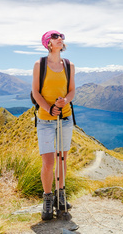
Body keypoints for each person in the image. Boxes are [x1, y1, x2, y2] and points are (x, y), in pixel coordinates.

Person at [31, 30, 75, 220]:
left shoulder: (68, 65)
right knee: (49, 162)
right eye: (56, 37)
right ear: (48, 43)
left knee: (63, 160)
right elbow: (35, 92)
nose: (60, 40)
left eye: (61, 37)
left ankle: (61, 195)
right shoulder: (39, 65)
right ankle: (48, 198)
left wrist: (65, 101)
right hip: (45, 120)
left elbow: (72, 90)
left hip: (65, 118)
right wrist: (49, 109)